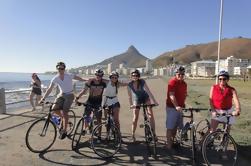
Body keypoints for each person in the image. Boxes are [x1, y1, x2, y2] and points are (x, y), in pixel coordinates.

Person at [40, 62, 86, 139]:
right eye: (59, 68)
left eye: (62, 68)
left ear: (64, 69)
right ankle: (65, 119)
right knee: (53, 109)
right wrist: (43, 98)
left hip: (70, 95)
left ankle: (64, 130)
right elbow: (50, 89)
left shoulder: (69, 75)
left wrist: (89, 80)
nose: (60, 70)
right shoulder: (55, 78)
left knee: (65, 112)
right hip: (61, 95)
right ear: (57, 69)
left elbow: (80, 79)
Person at [75, 69, 107, 141]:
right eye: (97, 75)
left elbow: (113, 83)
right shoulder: (90, 81)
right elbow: (84, 91)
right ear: (95, 75)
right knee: (87, 117)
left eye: (100, 75)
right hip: (89, 101)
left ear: (102, 76)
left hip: (98, 103)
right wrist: (77, 98)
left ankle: (99, 135)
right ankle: (84, 129)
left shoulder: (104, 82)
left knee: (99, 119)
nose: (98, 76)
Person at [127, 69, 158, 142]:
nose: (135, 77)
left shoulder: (142, 82)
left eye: (136, 75)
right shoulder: (129, 84)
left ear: (138, 76)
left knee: (150, 115)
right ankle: (133, 134)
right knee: (135, 117)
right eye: (133, 75)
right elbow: (129, 96)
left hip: (145, 98)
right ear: (131, 76)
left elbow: (149, 92)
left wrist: (155, 102)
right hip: (137, 99)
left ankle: (154, 133)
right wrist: (131, 105)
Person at [166, 66, 187, 149]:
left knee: (177, 126)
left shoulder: (184, 84)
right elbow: (171, 95)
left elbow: (184, 94)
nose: (181, 75)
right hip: (172, 107)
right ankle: (168, 146)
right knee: (170, 127)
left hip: (180, 108)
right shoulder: (172, 82)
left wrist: (183, 103)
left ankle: (173, 141)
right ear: (176, 74)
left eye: (182, 74)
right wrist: (176, 106)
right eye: (179, 74)